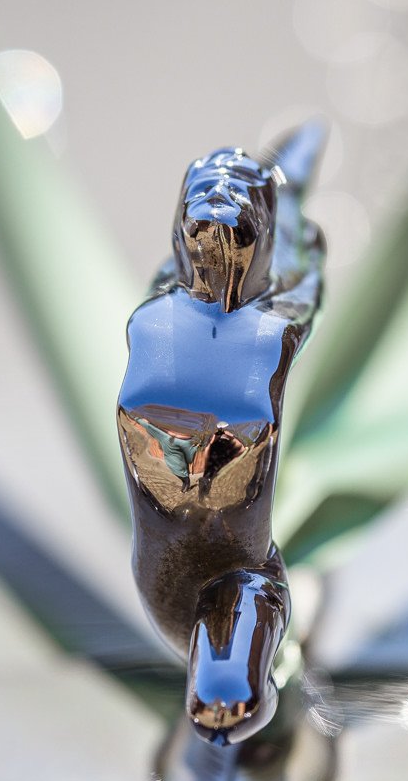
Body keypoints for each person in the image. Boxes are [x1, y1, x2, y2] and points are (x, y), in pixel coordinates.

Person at [116, 122, 325, 743]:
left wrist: (290, 192)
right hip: (163, 572)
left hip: (241, 576)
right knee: (222, 691)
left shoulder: (275, 328)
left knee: (229, 685)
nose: (214, 233)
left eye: (234, 213)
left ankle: (241, 704)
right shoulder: (154, 320)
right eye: (201, 206)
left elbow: (299, 265)